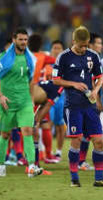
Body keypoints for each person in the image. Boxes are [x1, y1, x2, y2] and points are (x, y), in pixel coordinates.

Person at [53, 25, 103, 187]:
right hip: (73, 107)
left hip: (89, 107)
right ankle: (74, 179)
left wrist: (95, 90)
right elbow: (55, 80)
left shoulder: (93, 55)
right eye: (81, 45)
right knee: (76, 142)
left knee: (99, 141)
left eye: (86, 45)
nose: (84, 48)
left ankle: (99, 178)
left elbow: (100, 77)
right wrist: (73, 84)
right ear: (74, 41)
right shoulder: (63, 57)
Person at [0, 28, 43, 177]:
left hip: (24, 102)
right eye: (21, 39)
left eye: (25, 40)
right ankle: (0, 166)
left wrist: (31, 99)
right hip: (7, 103)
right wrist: (0, 96)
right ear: (14, 40)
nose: (24, 42)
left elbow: (31, 81)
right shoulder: (3, 58)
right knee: (5, 135)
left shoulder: (30, 59)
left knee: (28, 131)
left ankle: (31, 166)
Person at [28, 34, 59, 164]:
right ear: (40, 45)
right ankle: (43, 156)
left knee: (18, 130)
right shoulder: (43, 56)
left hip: (27, 93)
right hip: (36, 93)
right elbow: (57, 61)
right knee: (38, 126)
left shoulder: (25, 56)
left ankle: (20, 156)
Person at [78, 32, 103, 171]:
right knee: (88, 132)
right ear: (91, 44)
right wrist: (97, 100)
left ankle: (81, 161)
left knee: (86, 133)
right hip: (89, 101)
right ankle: (81, 161)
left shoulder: (93, 58)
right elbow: (93, 82)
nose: (100, 46)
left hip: (87, 100)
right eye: (98, 43)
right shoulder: (91, 58)